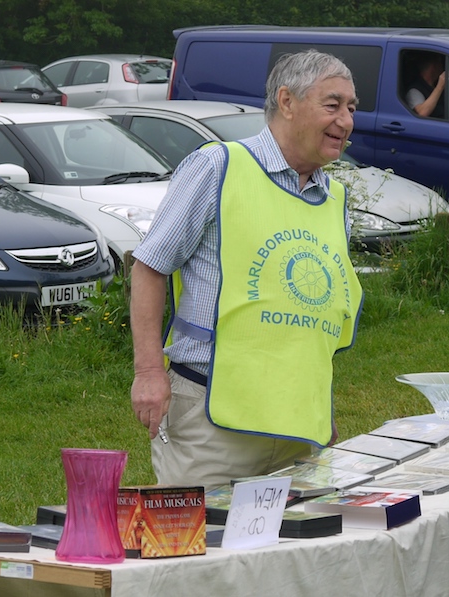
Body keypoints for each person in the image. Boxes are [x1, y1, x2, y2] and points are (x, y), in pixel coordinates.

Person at [129, 50, 363, 490]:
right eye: (332, 105)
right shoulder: (217, 167)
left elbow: (321, 316)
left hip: (297, 424)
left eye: (351, 108)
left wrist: (321, 410)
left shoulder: (335, 201)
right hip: (211, 419)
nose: (346, 121)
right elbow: (149, 268)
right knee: (199, 552)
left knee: (296, 552)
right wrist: (148, 374)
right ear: (287, 101)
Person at [406, 52, 446, 118]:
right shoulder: (414, 91)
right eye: (440, 63)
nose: (442, 67)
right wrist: (440, 87)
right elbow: (422, 113)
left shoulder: (435, 85)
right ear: (433, 67)